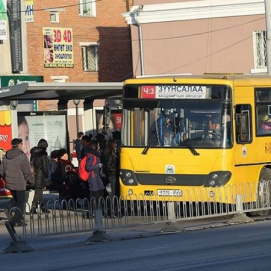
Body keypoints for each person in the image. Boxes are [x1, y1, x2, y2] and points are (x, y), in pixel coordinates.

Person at [0, 138, 35, 227]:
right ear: (19, 145)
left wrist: (6, 178)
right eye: (21, 144)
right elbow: (27, 172)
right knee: (21, 202)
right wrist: (32, 182)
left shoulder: (6, 155)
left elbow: (1, 170)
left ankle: (8, 209)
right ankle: (17, 220)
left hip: (10, 182)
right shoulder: (22, 156)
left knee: (16, 199)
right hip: (20, 182)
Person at [30, 139, 49, 214]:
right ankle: (33, 208)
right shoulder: (43, 155)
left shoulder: (33, 154)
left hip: (35, 174)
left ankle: (43, 207)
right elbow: (45, 167)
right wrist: (47, 175)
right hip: (40, 174)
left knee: (39, 191)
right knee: (38, 192)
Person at [85, 140, 105, 210]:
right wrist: (98, 165)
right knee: (94, 194)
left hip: (97, 176)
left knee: (100, 192)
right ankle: (93, 210)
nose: (99, 147)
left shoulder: (96, 155)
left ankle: (97, 209)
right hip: (93, 177)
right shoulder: (91, 156)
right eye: (98, 145)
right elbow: (88, 167)